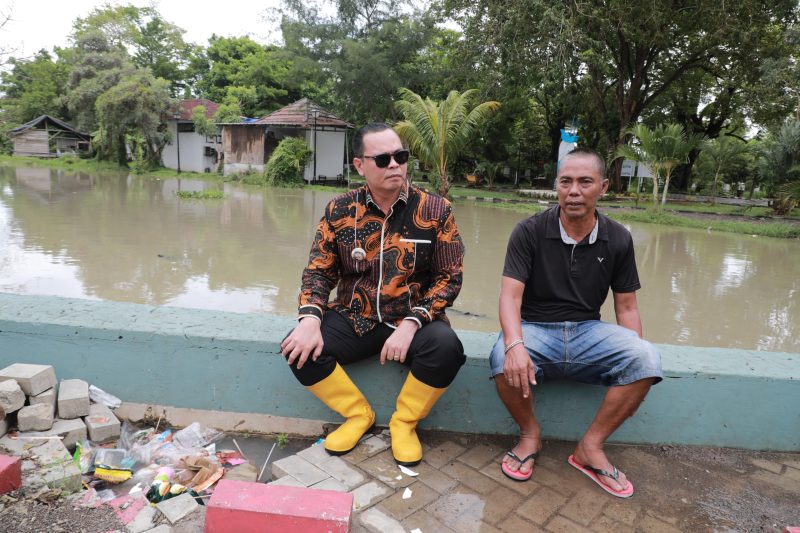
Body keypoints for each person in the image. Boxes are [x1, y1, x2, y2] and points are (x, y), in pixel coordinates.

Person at [281, 122, 465, 466]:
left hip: (413, 320)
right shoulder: (339, 210)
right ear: (360, 165)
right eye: (382, 159)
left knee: (447, 349)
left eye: (400, 156)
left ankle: (404, 423)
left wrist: (413, 323)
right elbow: (319, 270)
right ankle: (357, 416)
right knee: (298, 348)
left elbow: (449, 278)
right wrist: (309, 317)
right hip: (355, 317)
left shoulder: (436, 210)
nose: (394, 164)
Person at [490, 147, 662, 497]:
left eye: (585, 182)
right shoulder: (529, 231)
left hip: (589, 330)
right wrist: (514, 344)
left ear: (603, 187)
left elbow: (626, 307)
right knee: (499, 359)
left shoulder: (618, 238)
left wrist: (633, 359)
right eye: (566, 182)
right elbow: (510, 297)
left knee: (647, 359)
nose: (574, 191)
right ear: (557, 186)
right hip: (535, 328)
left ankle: (590, 448)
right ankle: (529, 435)